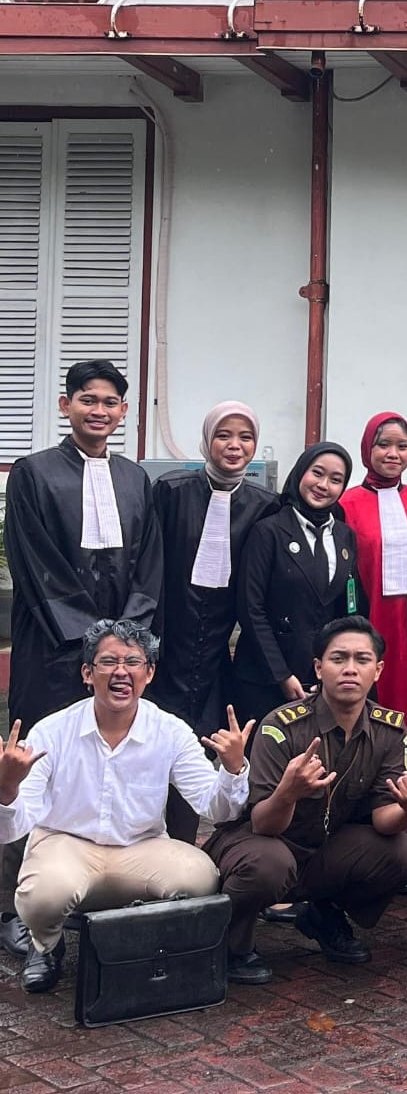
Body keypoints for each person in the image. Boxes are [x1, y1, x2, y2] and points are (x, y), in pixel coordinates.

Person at [0, 360, 163, 957]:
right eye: (87, 400)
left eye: (110, 402)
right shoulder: (33, 472)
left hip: (117, 653)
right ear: (65, 406)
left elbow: (150, 562)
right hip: (53, 645)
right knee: (31, 764)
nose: (99, 411)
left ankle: (100, 886)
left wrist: (126, 639)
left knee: (110, 762)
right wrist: (89, 638)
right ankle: (13, 905)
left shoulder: (134, 478)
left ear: (124, 412)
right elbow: (33, 561)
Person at [0, 619, 250, 994]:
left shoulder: (170, 730)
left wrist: (232, 770)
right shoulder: (52, 731)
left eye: (133, 662)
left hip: (141, 846)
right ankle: (47, 945)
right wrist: (7, 787)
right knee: (43, 896)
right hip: (66, 843)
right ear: (87, 673)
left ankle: (146, 941)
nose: (121, 671)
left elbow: (217, 809)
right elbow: (12, 828)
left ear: (149, 673)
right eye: (108, 662)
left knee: (200, 879)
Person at [207, 617, 407, 984]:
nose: (350, 669)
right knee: (269, 864)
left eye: (362, 659)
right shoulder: (282, 725)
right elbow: (263, 824)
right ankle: (232, 944)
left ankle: (324, 914)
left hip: (321, 846)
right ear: (319, 668)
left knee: (401, 851)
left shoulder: (388, 728)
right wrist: (288, 792)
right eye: (339, 658)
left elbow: (383, 819)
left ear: (378, 670)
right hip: (257, 843)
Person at [151, 401, 278, 841]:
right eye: (224, 435)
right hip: (165, 643)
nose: (234, 445)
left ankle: (183, 850)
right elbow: (150, 565)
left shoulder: (264, 505)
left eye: (245, 437)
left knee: (199, 749)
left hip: (217, 651)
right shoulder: (171, 491)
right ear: (207, 440)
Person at [232, 443, 364, 723]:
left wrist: (334, 669)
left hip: (319, 680)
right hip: (266, 678)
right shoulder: (267, 531)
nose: (323, 485)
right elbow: (251, 609)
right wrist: (281, 674)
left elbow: (347, 609)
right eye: (317, 473)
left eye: (335, 480)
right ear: (300, 472)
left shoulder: (345, 536)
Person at [343, 413, 407, 750]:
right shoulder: (345, 504)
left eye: (402, 446)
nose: (393, 454)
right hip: (369, 617)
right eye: (383, 444)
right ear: (367, 448)